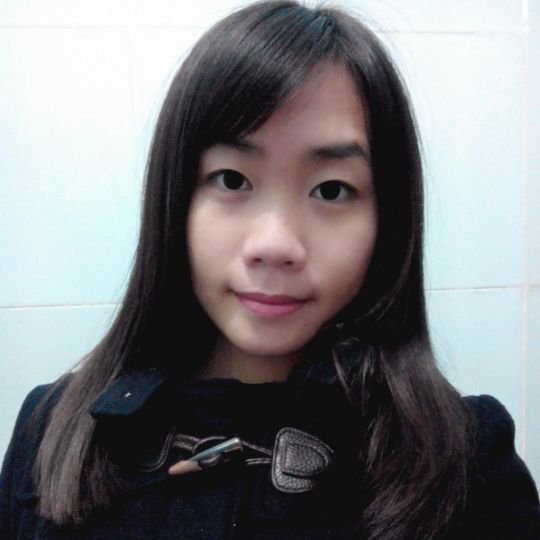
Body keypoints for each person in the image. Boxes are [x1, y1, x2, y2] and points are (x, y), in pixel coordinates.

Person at [1, 0, 539, 538]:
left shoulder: (469, 465)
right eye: (232, 180)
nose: (275, 245)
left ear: (388, 220)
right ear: (175, 199)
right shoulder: (51, 430)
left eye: (332, 190)